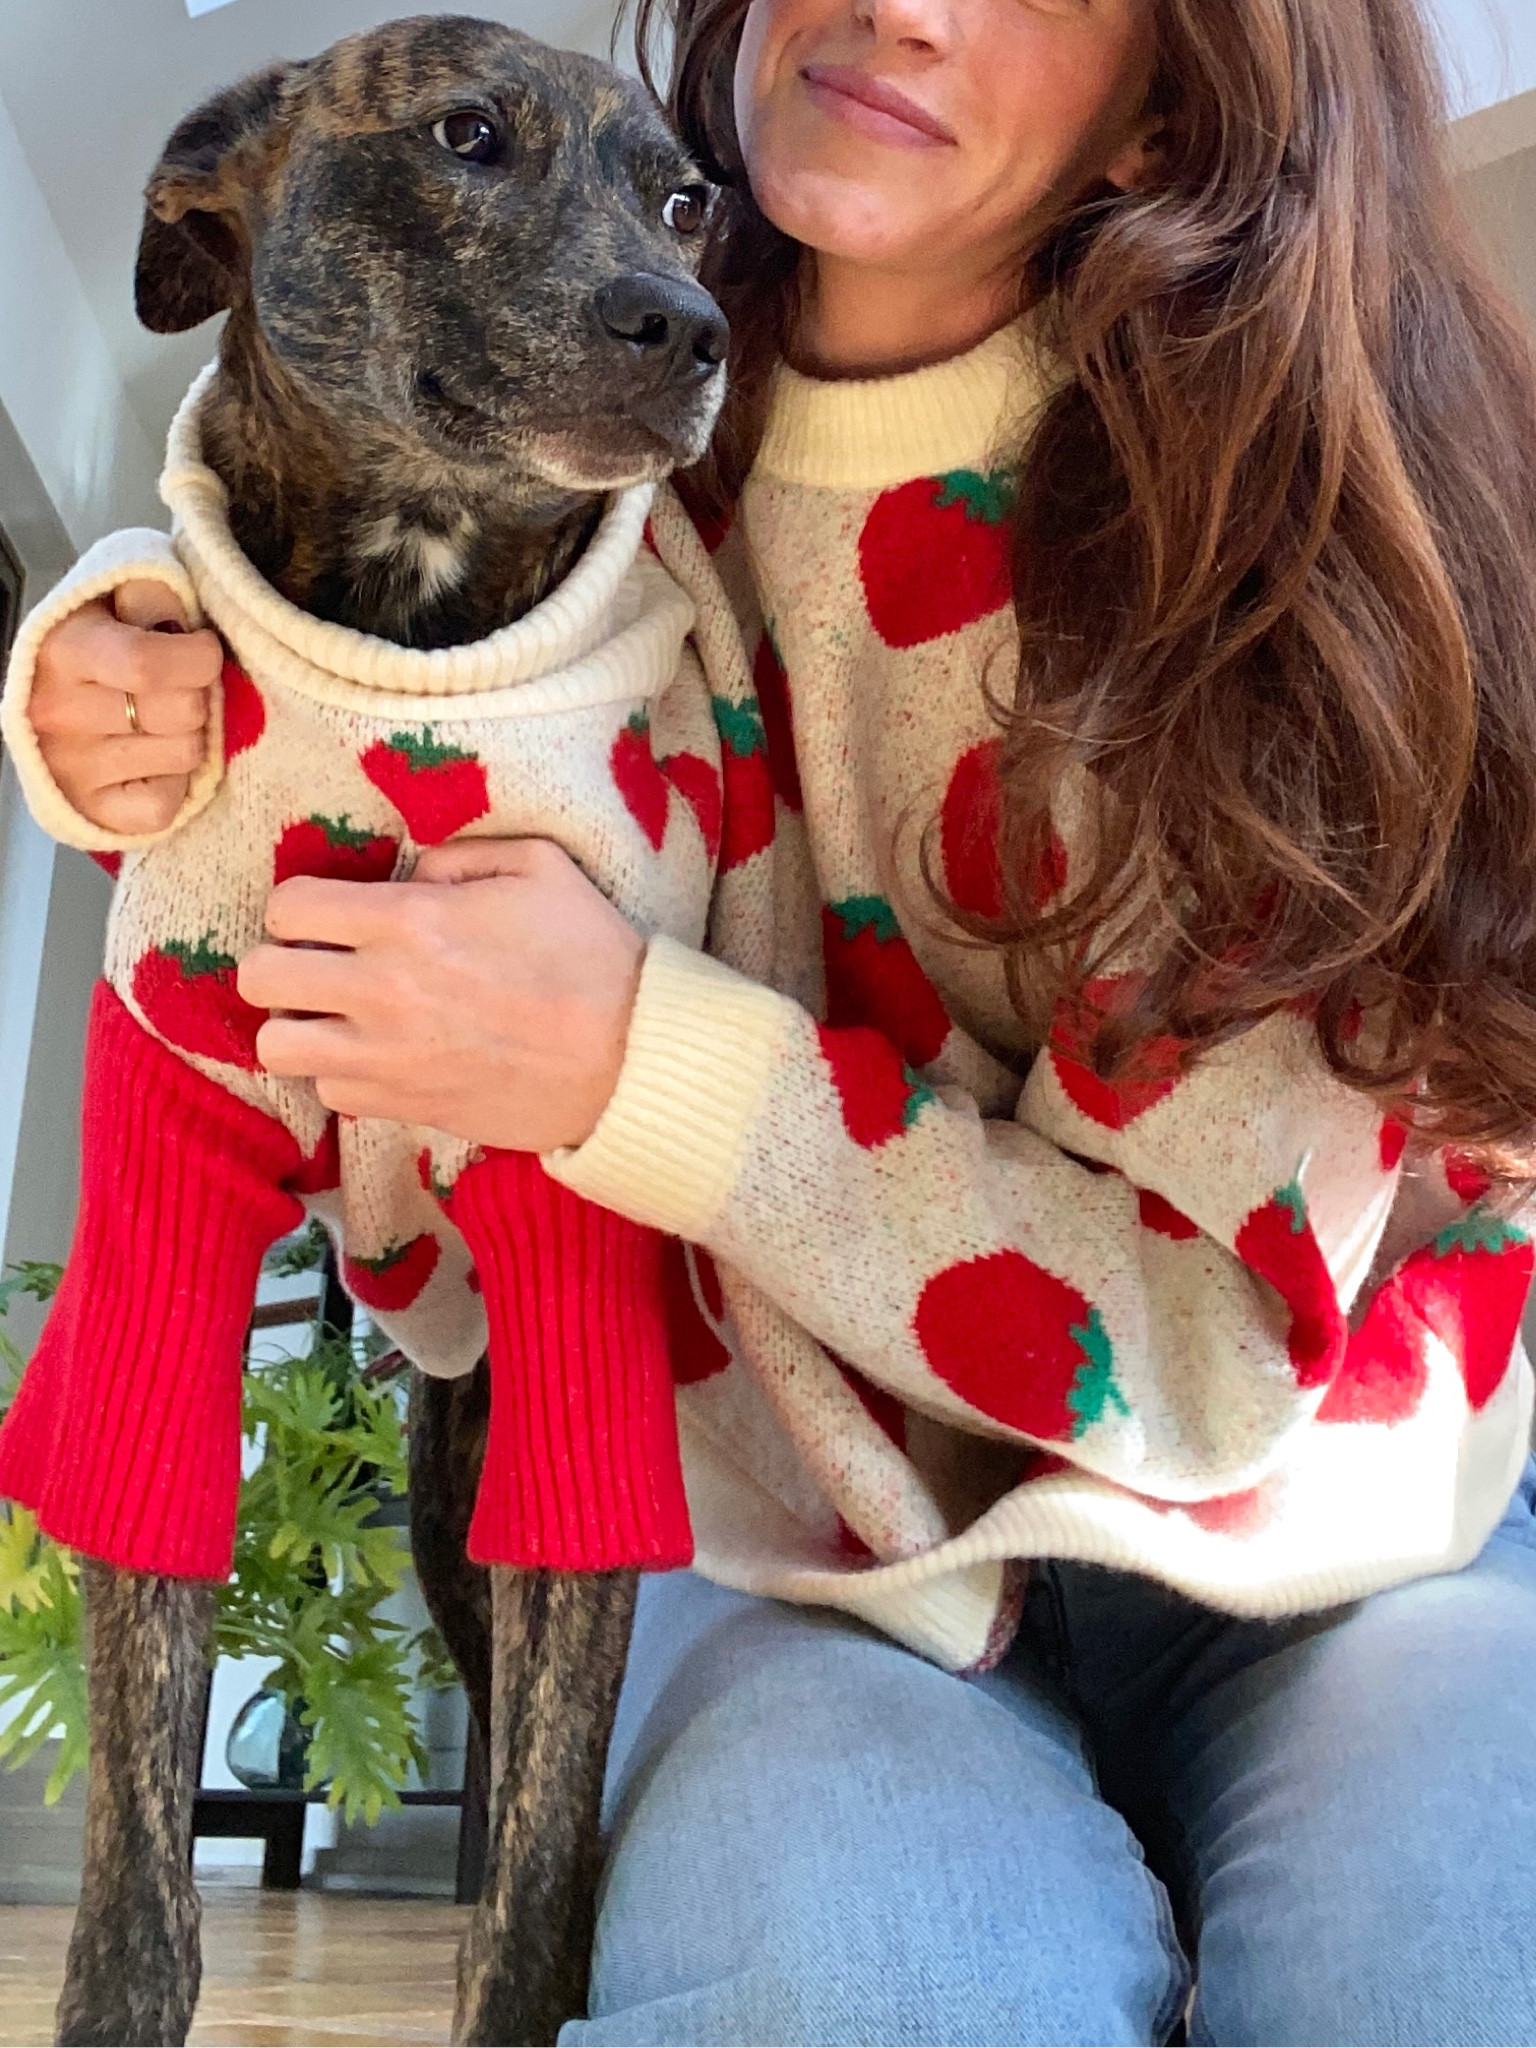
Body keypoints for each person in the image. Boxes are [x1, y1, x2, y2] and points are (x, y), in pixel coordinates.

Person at [9, 0, 1536, 2039]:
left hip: (1321, 1503)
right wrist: (121, 642)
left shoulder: (1281, 516)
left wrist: (644, 1061)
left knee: (1449, 1970)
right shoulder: (606, 437)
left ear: (1167, 99)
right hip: (802, 1536)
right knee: (855, 1986)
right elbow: (348, 639)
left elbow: (1204, 1333)